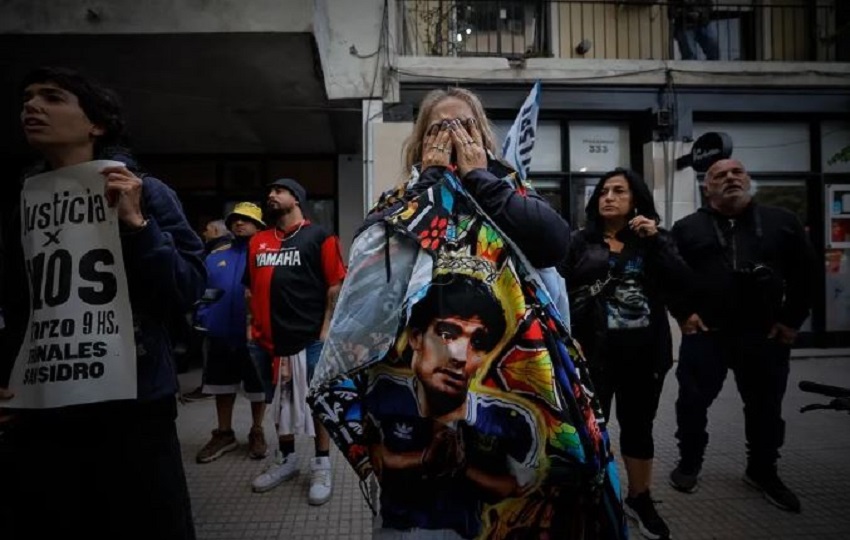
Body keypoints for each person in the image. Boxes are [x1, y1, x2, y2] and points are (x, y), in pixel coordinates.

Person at [310, 88, 627, 539]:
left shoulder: (510, 191)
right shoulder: (401, 200)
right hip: (412, 413)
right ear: (422, 144)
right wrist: (431, 183)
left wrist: (481, 179)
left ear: (484, 139)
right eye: (442, 127)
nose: (455, 136)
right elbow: (369, 275)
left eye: (466, 126)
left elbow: (554, 245)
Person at [0, 67, 203, 538]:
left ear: (96, 124)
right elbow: (19, 305)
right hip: (44, 410)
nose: (32, 107)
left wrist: (137, 225)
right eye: (27, 98)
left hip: (132, 409)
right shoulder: (23, 206)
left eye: (51, 98)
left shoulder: (146, 193)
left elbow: (187, 290)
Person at [668, 158, 816, 514]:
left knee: (766, 408)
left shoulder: (783, 222)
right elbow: (670, 275)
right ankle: (689, 463)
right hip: (707, 335)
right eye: (720, 175)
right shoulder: (688, 228)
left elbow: (807, 274)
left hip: (764, 335)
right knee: (691, 405)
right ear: (707, 186)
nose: (730, 179)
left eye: (737, 173)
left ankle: (763, 471)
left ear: (749, 179)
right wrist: (683, 313)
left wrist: (791, 320)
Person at [559, 168, 692, 540]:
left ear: (636, 200)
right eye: (603, 191)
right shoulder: (579, 242)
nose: (608, 197)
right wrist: (570, 340)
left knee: (639, 429)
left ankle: (639, 497)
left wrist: (658, 243)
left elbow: (683, 283)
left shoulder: (655, 241)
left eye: (619, 191)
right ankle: (590, 497)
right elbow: (558, 294)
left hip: (644, 356)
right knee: (589, 431)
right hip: (592, 356)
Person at [365, 271, 540, 538]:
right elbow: (372, 456)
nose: (459, 356)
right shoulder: (385, 391)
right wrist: (423, 459)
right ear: (416, 338)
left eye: (477, 342)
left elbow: (521, 487)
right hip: (394, 527)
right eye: (447, 333)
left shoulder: (506, 418)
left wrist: (462, 469)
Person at [245, 178, 347, 505]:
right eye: (270, 190)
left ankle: (321, 463)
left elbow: (335, 284)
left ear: (297, 198)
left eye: (279, 190)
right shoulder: (258, 240)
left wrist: (327, 328)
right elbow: (250, 287)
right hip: (268, 341)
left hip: (310, 339)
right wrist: (251, 326)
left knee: (317, 402)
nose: (271, 195)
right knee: (278, 402)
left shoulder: (320, 236)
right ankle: (287, 459)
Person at [194, 202, 269, 463]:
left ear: (259, 226)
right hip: (221, 335)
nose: (239, 223)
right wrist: (205, 320)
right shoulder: (215, 257)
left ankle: (257, 430)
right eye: (236, 219)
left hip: (255, 336)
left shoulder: (267, 256)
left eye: (246, 220)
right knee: (221, 385)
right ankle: (224, 433)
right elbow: (203, 293)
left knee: (257, 388)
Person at [183, 218, 234, 401]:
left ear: (215, 231)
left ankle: (210, 387)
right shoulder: (221, 252)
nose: (203, 234)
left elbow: (214, 287)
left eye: (207, 229)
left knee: (211, 353)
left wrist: (202, 311)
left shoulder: (216, 255)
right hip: (222, 312)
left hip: (214, 313)